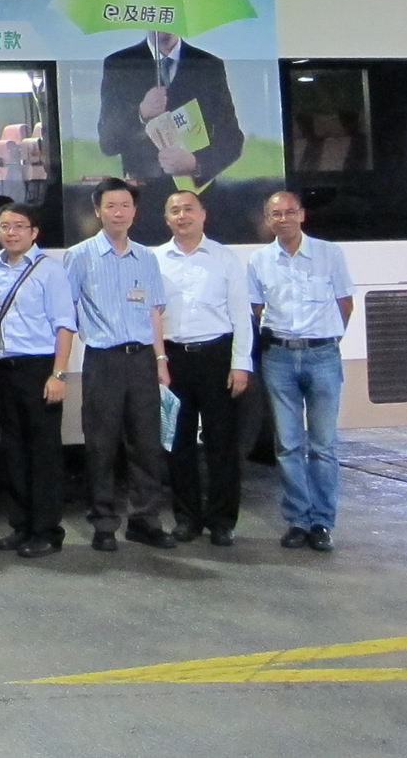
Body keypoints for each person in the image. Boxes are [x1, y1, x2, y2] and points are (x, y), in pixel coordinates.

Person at [63, 178, 176, 553]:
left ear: (135, 211)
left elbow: (154, 312)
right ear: (98, 210)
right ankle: (104, 523)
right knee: (101, 445)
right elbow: (66, 310)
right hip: (103, 360)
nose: (119, 213)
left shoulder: (146, 257)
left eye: (125, 205)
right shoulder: (80, 256)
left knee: (147, 444)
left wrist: (160, 358)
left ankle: (145, 520)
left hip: (142, 358)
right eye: (111, 206)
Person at [247, 190, 353, 552]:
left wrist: (325, 339)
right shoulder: (258, 261)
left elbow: (345, 304)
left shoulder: (329, 254)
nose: (284, 219)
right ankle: (297, 520)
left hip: (322, 356)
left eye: (290, 212)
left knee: (323, 444)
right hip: (278, 357)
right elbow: (257, 309)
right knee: (288, 444)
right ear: (268, 220)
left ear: (302, 215)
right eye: (276, 214)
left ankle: (323, 522)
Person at [154, 189, 253, 547]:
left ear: (203, 214)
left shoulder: (225, 258)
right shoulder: (154, 260)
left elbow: (241, 315)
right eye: (175, 211)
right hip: (173, 359)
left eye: (188, 209)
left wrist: (240, 364)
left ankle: (222, 521)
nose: (182, 216)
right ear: (166, 219)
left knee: (221, 444)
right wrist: (158, 360)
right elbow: (150, 315)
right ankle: (187, 519)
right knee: (177, 443)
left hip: (217, 356)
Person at [0, 203, 77, 559]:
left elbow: (65, 325)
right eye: (5, 226)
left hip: (39, 369)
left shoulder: (50, 271)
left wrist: (58, 374)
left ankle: (48, 530)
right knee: (13, 451)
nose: (11, 232)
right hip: (5, 369)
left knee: (43, 453)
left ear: (34, 232)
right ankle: (21, 525)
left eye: (19, 226)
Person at [98, 30, 246, 241]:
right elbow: (107, 142)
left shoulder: (208, 65)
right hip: (144, 206)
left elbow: (232, 139)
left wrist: (196, 163)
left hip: (197, 200)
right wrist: (141, 113)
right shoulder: (119, 63)